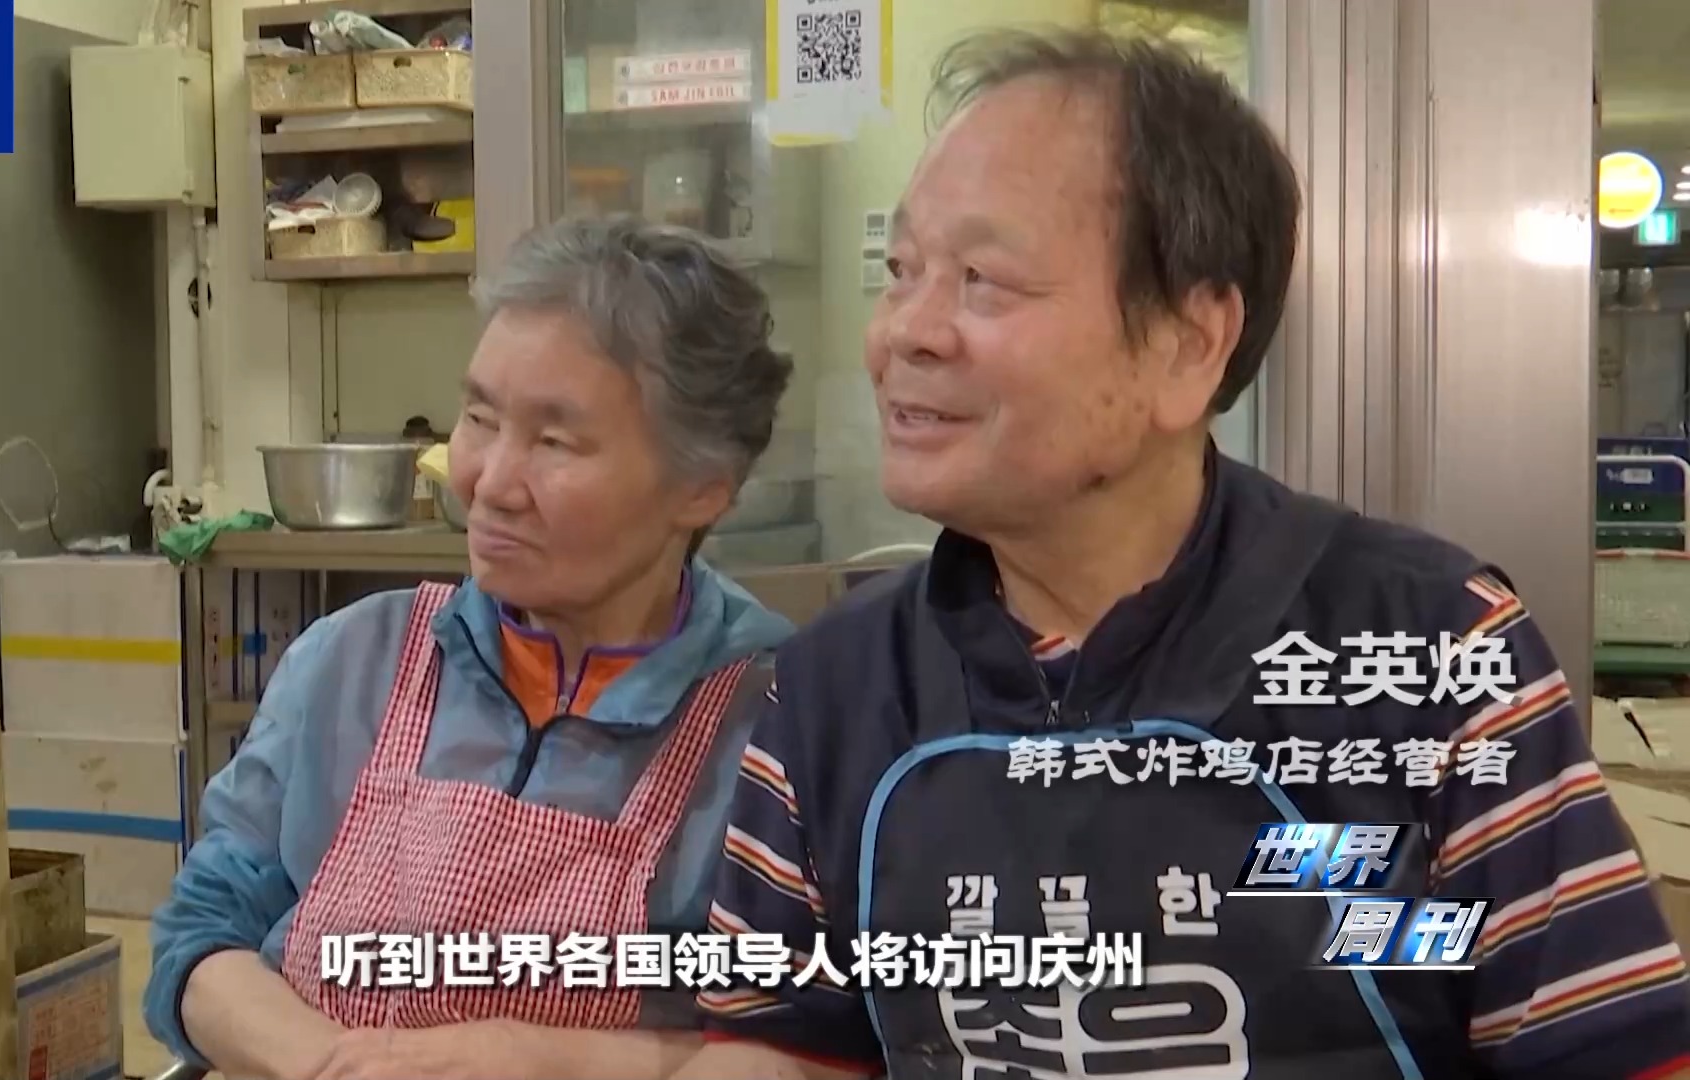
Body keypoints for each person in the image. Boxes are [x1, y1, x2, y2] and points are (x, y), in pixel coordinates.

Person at [678, 28, 1690, 1080]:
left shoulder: (1432, 652)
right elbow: (778, 1052)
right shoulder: (835, 688)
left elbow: (1615, 1056)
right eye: (903, 273)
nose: (905, 333)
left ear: (1187, 344)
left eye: (982, 278)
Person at [144, 215, 798, 1080]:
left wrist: (535, 1061)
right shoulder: (355, 660)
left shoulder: (782, 726)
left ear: (703, 488)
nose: (488, 481)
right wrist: (336, 1066)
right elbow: (201, 934)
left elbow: (802, 1043)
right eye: (481, 418)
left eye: (555, 441)